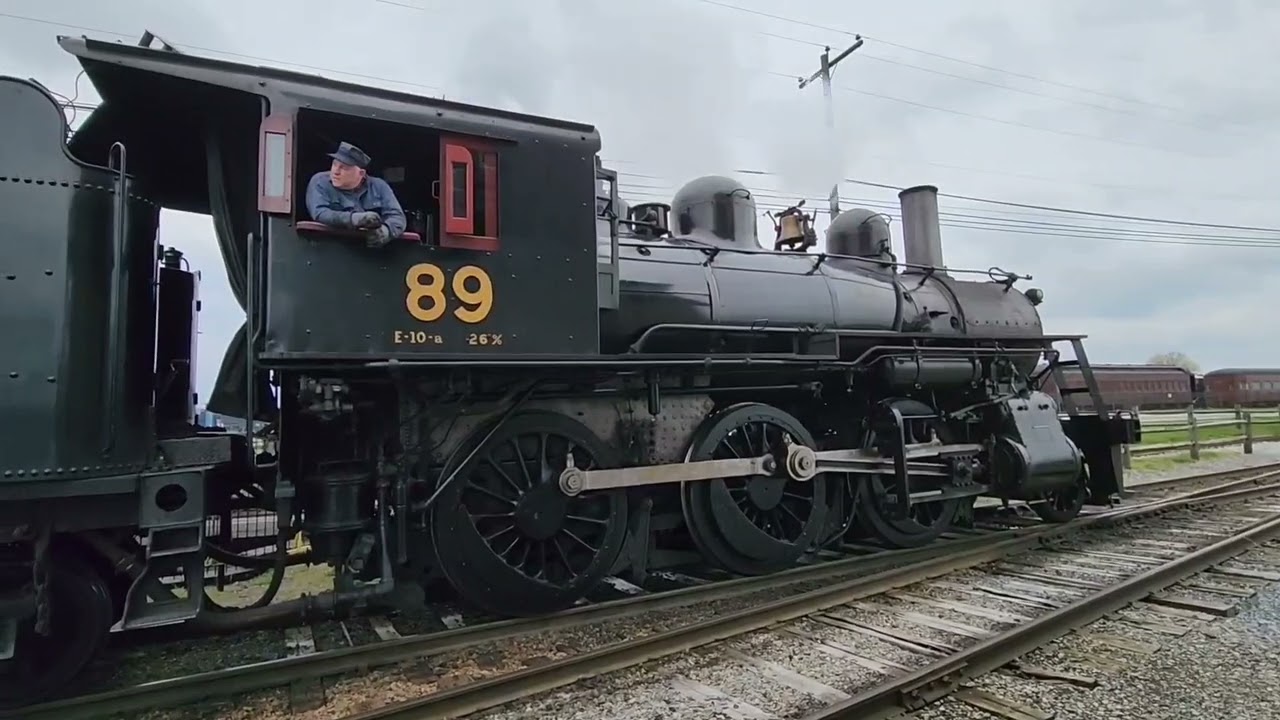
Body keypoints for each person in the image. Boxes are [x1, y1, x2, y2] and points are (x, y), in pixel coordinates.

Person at [305, 141, 406, 247]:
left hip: (372, 252)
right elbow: (320, 213)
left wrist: (386, 231)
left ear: (361, 173)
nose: (336, 171)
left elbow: (397, 217)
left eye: (344, 167)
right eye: (334, 164)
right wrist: (354, 219)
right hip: (330, 247)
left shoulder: (379, 186)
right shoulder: (320, 181)